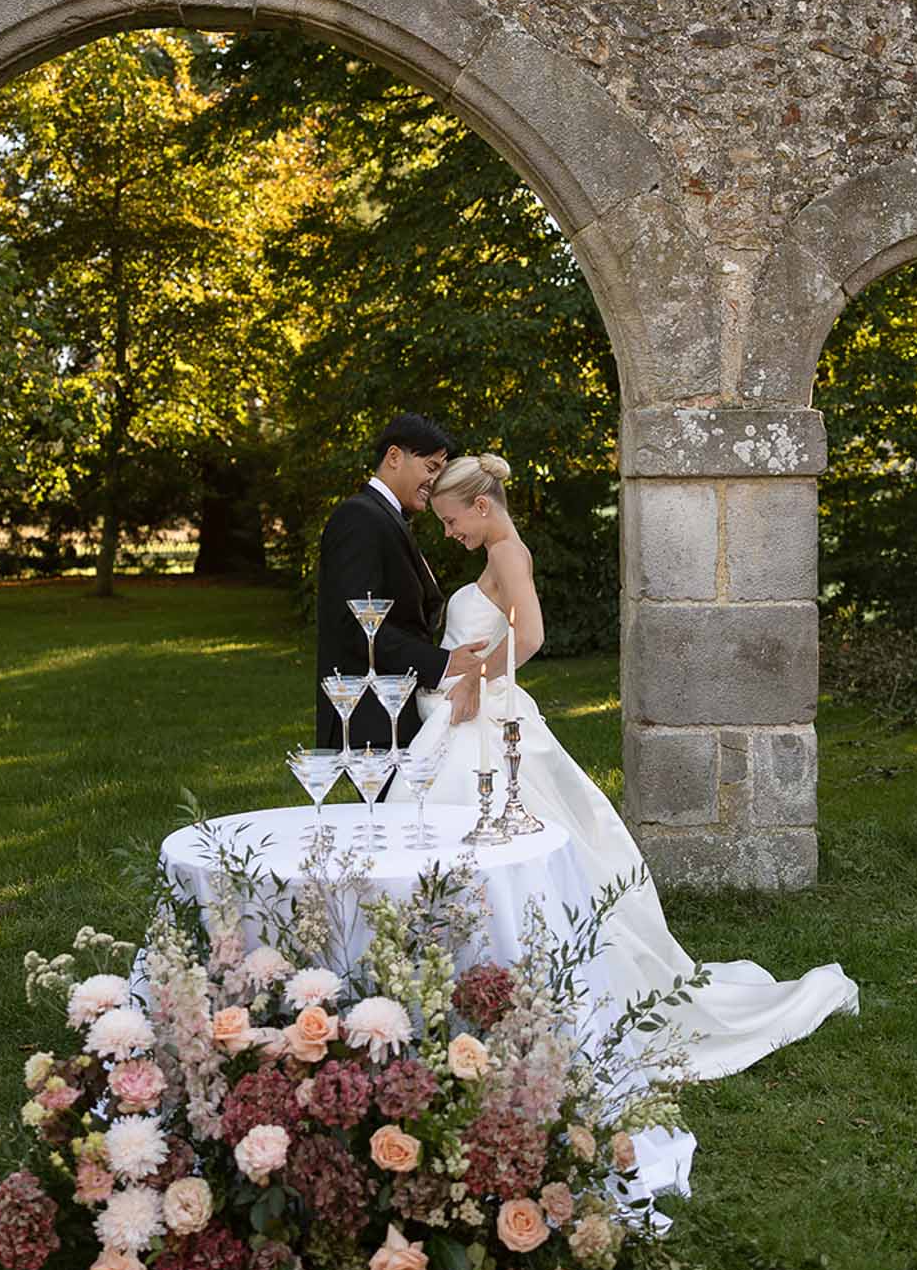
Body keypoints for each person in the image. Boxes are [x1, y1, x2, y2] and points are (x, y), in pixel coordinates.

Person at [392, 451, 860, 1087]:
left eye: (452, 521)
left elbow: (529, 638)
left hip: (485, 721)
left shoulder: (506, 553)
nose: (450, 534)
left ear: (481, 505)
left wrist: (472, 678)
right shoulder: (500, 553)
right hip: (466, 723)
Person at [315, 414, 490, 752]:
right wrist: (442, 663)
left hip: (394, 715)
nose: (436, 481)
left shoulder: (385, 517)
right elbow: (356, 625)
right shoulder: (360, 518)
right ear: (394, 457)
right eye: (431, 467)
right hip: (371, 720)